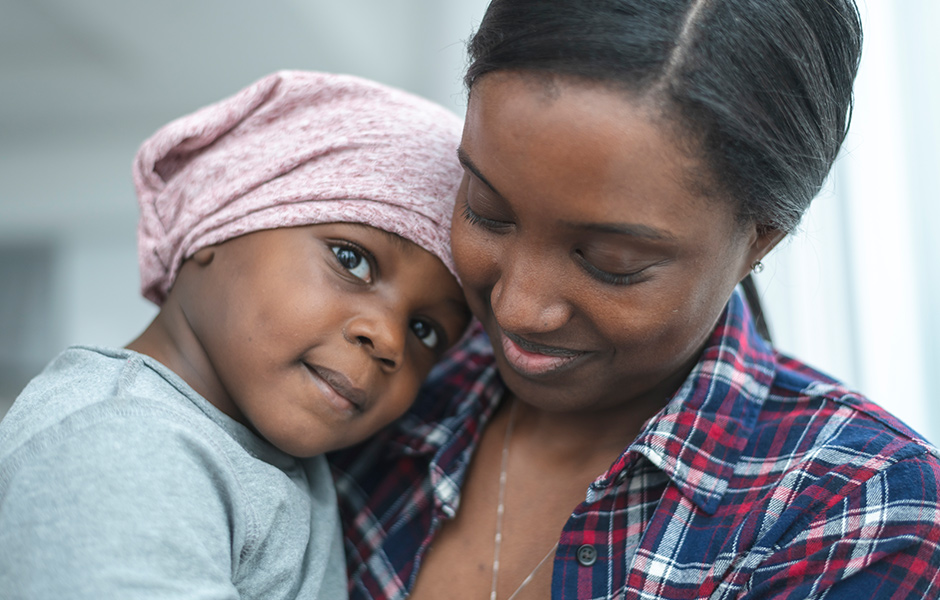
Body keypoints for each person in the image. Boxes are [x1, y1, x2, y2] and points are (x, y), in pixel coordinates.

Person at [329, 1, 940, 598]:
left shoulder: (861, 515)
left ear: (760, 236)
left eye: (610, 262)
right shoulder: (382, 378)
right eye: (486, 213)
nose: (517, 308)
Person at [0, 70, 470, 599]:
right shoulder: (119, 443)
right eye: (351, 259)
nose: (388, 340)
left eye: (425, 330)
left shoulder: (267, 453)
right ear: (219, 220)